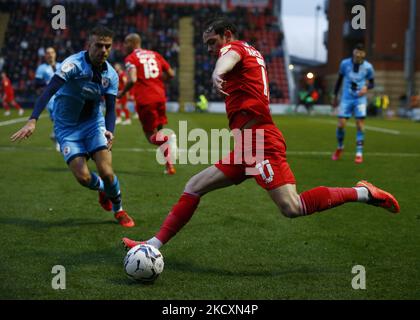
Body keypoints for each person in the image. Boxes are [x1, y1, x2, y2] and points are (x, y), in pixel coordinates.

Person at [121, 19, 399, 251]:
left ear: (226, 35)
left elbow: (228, 57)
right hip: (246, 145)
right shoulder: (251, 51)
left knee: (292, 206)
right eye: (207, 45)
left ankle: (364, 192)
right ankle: (153, 245)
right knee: (194, 185)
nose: (210, 49)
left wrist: (219, 70)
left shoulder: (233, 49)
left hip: (260, 141)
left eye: (212, 42)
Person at [11, 25, 135, 228]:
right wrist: (33, 119)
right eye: (99, 45)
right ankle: (103, 189)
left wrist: (110, 129)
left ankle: (119, 209)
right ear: (89, 45)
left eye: (108, 46)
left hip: (94, 124)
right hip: (67, 129)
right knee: (84, 178)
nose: (103, 50)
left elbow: (111, 108)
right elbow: (49, 90)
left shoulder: (111, 75)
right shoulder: (72, 65)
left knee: (107, 170)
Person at [118, 33, 177, 175]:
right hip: (160, 96)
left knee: (151, 136)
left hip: (145, 99)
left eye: (126, 43)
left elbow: (132, 79)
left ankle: (169, 139)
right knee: (159, 132)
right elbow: (170, 74)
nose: (124, 46)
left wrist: (122, 93)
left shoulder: (131, 58)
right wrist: (156, 80)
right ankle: (169, 166)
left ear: (132, 43)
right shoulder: (154, 54)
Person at [331, 43, 375, 164]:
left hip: (360, 99)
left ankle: (359, 153)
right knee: (341, 125)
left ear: (364, 54)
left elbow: (372, 83)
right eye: (357, 52)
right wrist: (334, 96)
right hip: (346, 98)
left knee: (360, 124)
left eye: (361, 52)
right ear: (353, 52)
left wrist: (366, 87)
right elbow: (339, 80)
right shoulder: (344, 64)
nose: (358, 54)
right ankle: (340, 147)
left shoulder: (368, 67)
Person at [35, 47, 61, 151]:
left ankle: (56, 136)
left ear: (55, 54)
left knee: (59, 117)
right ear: (45, 55)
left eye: (52, 52)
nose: (50, 55)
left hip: (62, 96)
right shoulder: (41, 68)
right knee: (56, 117)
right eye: (48, 53)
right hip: (50, 97)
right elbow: (37, 84)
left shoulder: (61, 65)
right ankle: (57, 137)